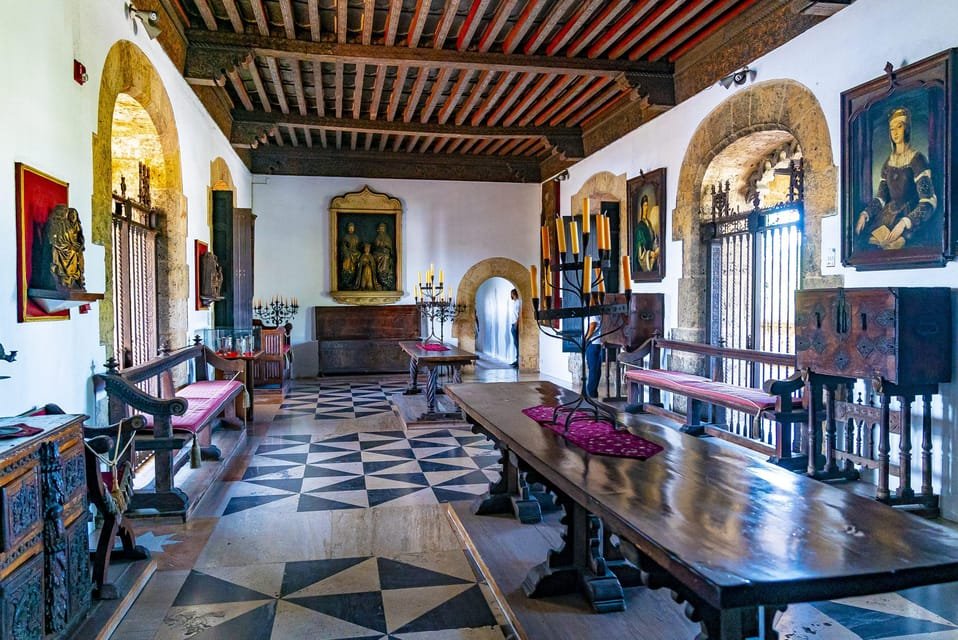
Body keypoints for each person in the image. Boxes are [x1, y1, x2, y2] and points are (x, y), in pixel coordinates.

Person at [855, 106, 937, 250]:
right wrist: (865, 214)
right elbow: (881, 198)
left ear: (906, 128)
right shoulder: (888, 163)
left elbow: (928, 200)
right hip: (887, 216)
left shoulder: (917, 159)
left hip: (909, 217)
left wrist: (905, 222)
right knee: (869, 245)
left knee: (895, 247)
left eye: (899, 127)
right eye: (892, 129)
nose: (895, 132)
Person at [634, 194, 660, 272]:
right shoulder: (640, 227)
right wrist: (649, 253)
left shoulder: (649, 223)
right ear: (642, 207)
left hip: (653, 256)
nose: (646, 208)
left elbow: (654, 239)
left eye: (647, 205)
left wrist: (656, 249)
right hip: (646, 259)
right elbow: (640, 255)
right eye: (645, 205)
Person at [584, 313, 602, 398]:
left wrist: (586, 338)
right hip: (595, 343)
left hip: (593, 342)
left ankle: (591, 392)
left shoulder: (593, 315)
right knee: (595, 368)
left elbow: (592, 325)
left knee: (593, 368)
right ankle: (593, 392)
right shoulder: (596, 314)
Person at [340, 222, 361, 289]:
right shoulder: (346, 237)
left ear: (354, 229)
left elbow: (357, 246)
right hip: (348, 253)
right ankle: (346, 281)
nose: (351, 229)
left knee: (359, 255)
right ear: (348, 229)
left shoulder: (356, 237)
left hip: (354, 253)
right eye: (350, 228)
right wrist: (346, 251)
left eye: (352, 228)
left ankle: (353, 280)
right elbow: (343, 247)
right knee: (347, 261)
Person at [509, 288, 520, 367]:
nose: (511, 295)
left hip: (516, 324)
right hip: (513, 323)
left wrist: (516, 323)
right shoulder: (515, 302)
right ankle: (517, 360)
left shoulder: (518, 302)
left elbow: (519, 314)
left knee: (517, 343)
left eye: (512, 293)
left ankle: (518, 361)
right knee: (515, 343)